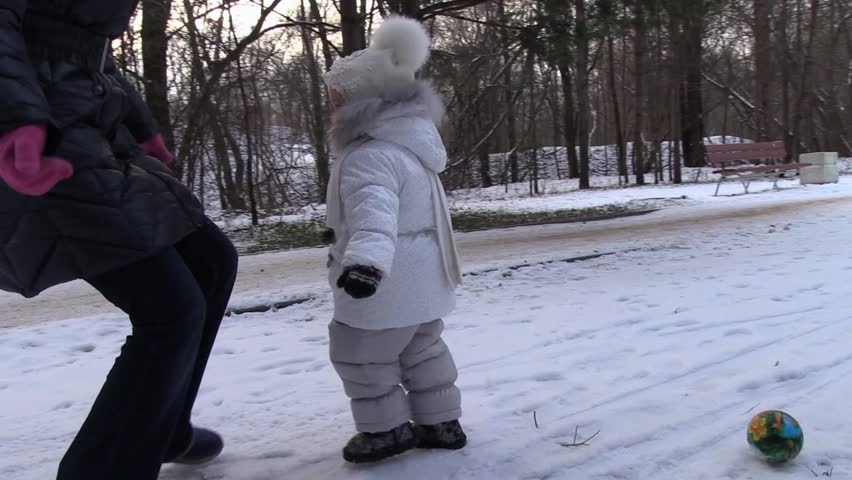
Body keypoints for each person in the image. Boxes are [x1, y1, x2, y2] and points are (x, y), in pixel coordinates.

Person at [0, 2, 238, 479]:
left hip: (89, 124)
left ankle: (163, 426)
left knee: (211, 262)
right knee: (169, 309)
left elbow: (84, 47)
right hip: (43, 135)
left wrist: (139, 121)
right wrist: (17, 119)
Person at [323, 16, 467, 464]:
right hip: (428, 276)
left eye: (338, 98)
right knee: (422, 348)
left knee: (361, 354)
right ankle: (440, 422)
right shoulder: (413, 148)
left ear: (362, 102)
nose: (332, 107)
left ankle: (385, 431)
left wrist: (363, 264)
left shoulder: (370, 157)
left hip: (386, 279)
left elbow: (374, 218)